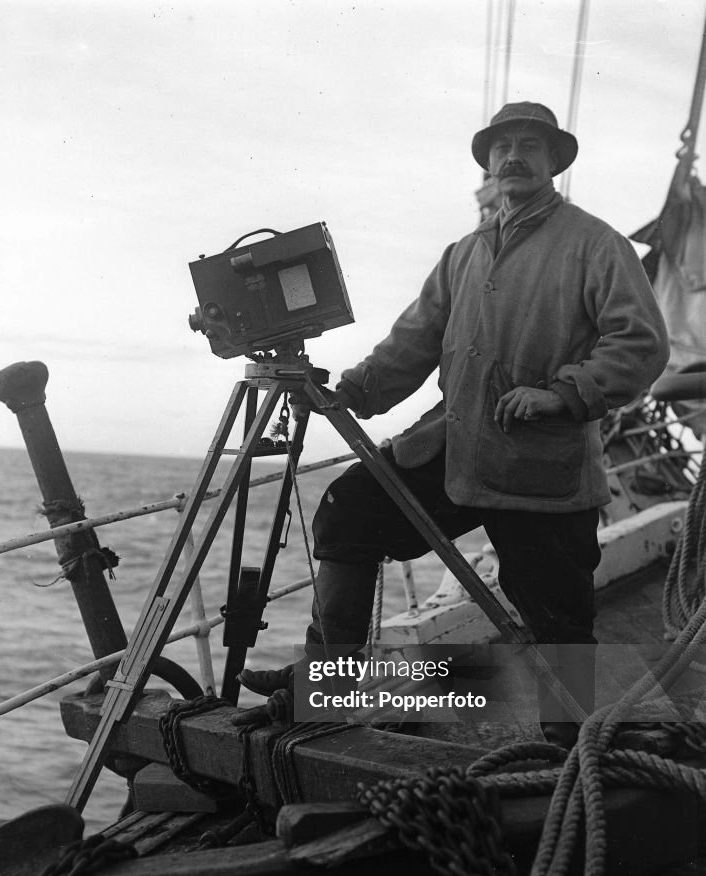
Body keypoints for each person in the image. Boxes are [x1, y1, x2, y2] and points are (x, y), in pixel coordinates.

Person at [239, 101, 670, 745]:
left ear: (555, 161)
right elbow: (413, 341)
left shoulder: (594, 243)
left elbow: (640, 345)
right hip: (454, 447)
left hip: (540, 466)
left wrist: (563, 394)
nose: (515, 156)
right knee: (348, 510)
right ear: (490, 163)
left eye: (530, 145)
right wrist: (352, 390)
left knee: (557, 618)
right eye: (503, 147)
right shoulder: (462, 254)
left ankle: (573, 752)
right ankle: (326, 682)